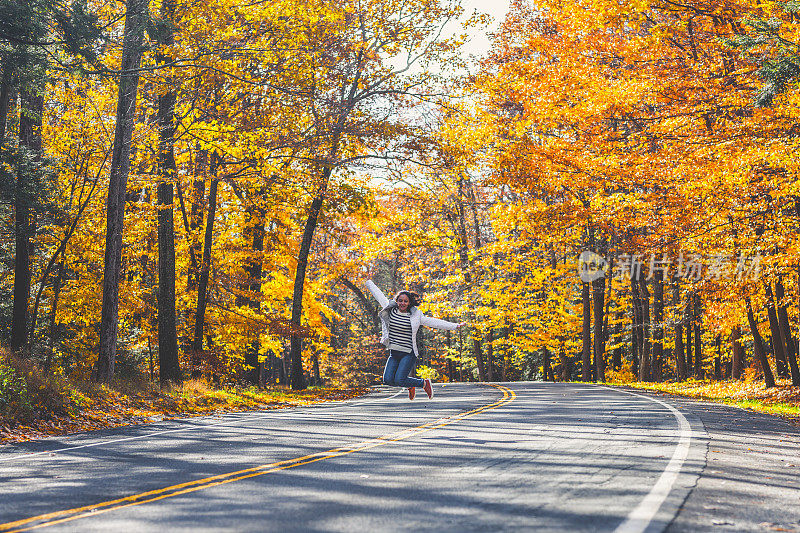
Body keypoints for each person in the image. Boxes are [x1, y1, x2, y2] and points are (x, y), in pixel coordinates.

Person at [365, 280, 465, 400]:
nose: (402, 303)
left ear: (409, 303)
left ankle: (423, 383)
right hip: (394, 353)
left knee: (399, 379)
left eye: (405, 301)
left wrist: (455, 326)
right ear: (396, 301)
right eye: (400, 300)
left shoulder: (416, 315)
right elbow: (378, 294)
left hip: (408, 353)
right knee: (388, 380)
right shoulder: (390, 309)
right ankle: (410, 385)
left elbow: (434, 322)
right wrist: (368, 281)